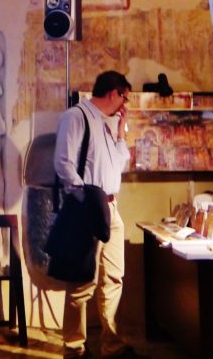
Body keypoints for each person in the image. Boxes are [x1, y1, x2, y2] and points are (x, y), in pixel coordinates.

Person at [53, 70, 143, 358]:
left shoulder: (106, 124)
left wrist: (120, 131)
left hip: (111, 208)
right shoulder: (76, 116)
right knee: (82, 282)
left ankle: (112, 345)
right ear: (114, 93)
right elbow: (63, 164)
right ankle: (74, 347)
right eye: (124, 98)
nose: (124, 105)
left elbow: (118, 165)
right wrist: (86, 198)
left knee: (114, 277)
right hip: (90, 207)